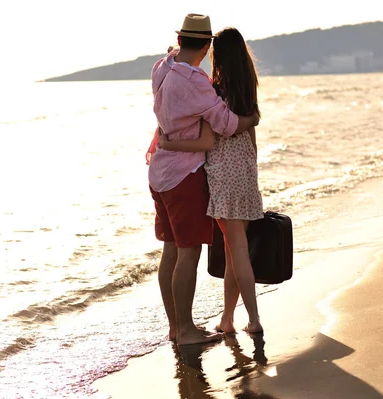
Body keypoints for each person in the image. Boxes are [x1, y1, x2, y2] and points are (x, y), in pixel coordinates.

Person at [147, 14, 260, 346]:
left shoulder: (162, 68)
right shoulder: (196, 82)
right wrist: (252, 117)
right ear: (207, 45)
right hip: (184, 175)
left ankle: (176, 327)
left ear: (180, 41)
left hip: (159, 171)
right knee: (188, 252)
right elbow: (224, 125)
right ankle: (186, 330)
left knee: (170, 250)